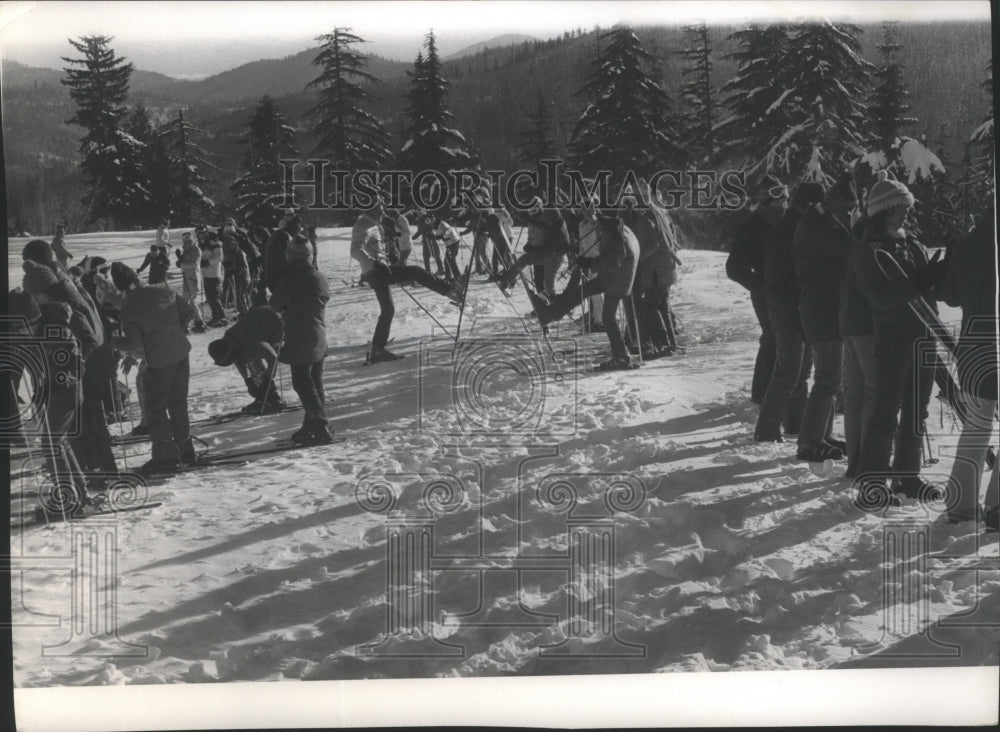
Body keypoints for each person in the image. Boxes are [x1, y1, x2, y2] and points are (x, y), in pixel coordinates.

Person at [852, 171, 946, 506]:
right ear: (885, 210)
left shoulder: (912, 243)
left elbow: (927, 285)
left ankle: (908, 478)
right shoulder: (869, 250)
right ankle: (872, 485)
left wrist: (942, 274)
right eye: (901, 206)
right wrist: (921, 282)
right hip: (893, 339)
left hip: (923, 336)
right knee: (885, 413)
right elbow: (879, 297)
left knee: (917, 412)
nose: (907, 211)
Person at [22, 250, 118, 477]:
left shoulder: (65, 302)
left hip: (90, 370)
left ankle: (102, 470)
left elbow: (89, 337)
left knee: (88, 423)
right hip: (88, 368)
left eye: (34, 294)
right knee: (81, 425)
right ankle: (92, 468)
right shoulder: (60, 292)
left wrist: (76, 364)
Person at [939, 210, 998, 529]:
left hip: (975, 347)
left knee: (976, 427)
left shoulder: (965, 243)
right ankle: (998, 506)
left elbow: (948, 297)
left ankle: (960, 504)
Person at [791, 175, 857, 461]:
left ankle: (821, 435)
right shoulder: (815, 227)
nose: (848, 215)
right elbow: (846, 250)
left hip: (826, 310)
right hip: (822, 311)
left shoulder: (819, 223)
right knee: (827, 379)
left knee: (831, 379)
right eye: (847, 209)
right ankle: (809, 441)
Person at [754, 182, 825, 442]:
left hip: (793, 305)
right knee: (790, 368)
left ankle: (795, 422)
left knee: (801, 367)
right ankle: (767, 428)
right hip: (788, 307)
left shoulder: (792, 225)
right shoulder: (791, 229)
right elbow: (786, 275)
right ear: (809, 204)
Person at [110, 262, 197, 473]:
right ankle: (185, 449)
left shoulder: (130, 307)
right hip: (180, 353)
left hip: (159, 362)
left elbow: (133, 344)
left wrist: (109, 340)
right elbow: (189, 312)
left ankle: (165, 455)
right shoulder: (162, 288)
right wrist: (174, 331)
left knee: (155, 408)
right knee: (178, 403)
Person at [353, 202, 466, 364]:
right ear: (370, 209)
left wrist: (385, 258)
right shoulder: (363, 223)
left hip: (375, 271)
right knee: (415, 272)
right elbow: (355, 250)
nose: (382, 212)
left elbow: (373, 249)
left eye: (383, 209)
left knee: (388, 309)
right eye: (379, 209)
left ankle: (377, 349)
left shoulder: (372, 224)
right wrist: (374, 263)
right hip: (376, 271)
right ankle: (450, 290)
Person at [11, 290, 90, 513]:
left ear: (30, 320)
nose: (19, 331)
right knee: (59, 442)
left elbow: (77, 365)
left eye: (20, 326)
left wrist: (60, 377)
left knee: (51, 443)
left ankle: (68, 498)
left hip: (66, 394)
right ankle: (79, 491)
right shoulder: (34, 333)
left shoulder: (57, 332)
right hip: (54, 394)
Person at [531, 210, 640, 371]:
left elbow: (614, 260)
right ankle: (551, 313)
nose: (598, 222)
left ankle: (621, 357)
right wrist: (587, 261)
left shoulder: (617, 234)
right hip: (614, 278)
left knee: (608, 318)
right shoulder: (618, 228)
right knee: (583, 290)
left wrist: (591, 263)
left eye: (601, 217)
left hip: (617, 281)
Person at [726, 175, 787, 404]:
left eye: (784, 198)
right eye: (778, 198)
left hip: (784, 290)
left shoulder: (784, 223)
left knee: (780, 339)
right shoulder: (753, 228)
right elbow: (733, 267)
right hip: (765, 292)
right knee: (772, 338)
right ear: (767, 201)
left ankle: (772, 390)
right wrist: (758, 283)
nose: (783, 203)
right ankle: (762, 393)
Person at [270, 237, 332, 445]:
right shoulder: (318, 276)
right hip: (319, 335)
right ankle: (311, 424)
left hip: (300, 337)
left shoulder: (290, 279)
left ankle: (320, 424)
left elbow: (275, 304)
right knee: (315, 381)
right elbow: (325, 297)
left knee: (302, 382)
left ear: (292, 256)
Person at [208, 305, 287, 415]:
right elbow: (239, 360)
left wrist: (267, 381)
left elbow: (273, 358)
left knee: (254, 361)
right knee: (250, 358)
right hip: (259, 320)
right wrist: (248, 380)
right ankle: (264, 396)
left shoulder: (252, 343)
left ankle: (273, 398)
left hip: (277, 323)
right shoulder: (230, 342)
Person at [498, 196, 571, 298]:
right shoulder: (551, 224)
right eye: (530, 211)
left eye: (534, 210)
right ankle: (545, 302)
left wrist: (533, 249)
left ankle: (552, 303)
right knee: (540, 280)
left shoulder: (557, 229)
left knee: (545, 282)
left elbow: (548, 245)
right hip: (543, 253)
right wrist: (529, 244)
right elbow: (534, 231)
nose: (532, 213)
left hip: (551, 256)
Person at [176, 232, 206, 333]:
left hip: (193, 279)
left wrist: (182, 264)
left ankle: (186, 325)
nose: (187, 243)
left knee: (187, 302)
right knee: (192, 302)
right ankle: (198, 323)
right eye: (185, 241)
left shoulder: (196, 250)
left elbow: (194, 264)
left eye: (189, 241)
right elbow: (184, 263)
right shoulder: (186, 251)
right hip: (187, 278)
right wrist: (179, 259)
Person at [221, 219, 252, 315]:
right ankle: (243, 311)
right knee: (239, 295)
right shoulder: (232, 252)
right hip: (238, 276)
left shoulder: (239, 253)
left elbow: (243, 267)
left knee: (240, 295)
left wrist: (235, 271)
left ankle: (245, 312)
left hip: (242, 277)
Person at [200, 231, 227, 327]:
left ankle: (221, 318)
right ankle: (216, 317)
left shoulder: (217, 245)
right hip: (207, 274)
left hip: (214, 274)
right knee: (210, 297)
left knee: (214, 297)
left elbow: (219, 258)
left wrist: (207, 262)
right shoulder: (206, 245)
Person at [415, 208, 444, 275]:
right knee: (425, 255)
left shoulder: (430, 216)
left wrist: (427, 217)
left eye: (422, 210)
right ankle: (428, 271)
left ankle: (441, 269)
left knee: (435, 253)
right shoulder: (420, 219)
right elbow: (420, 230)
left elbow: (433, 224)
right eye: (420, 210)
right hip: (425, 238)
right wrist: (414, 237)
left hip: (431, 237)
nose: (421, 212)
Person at [434, 215, 463, 282]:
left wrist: (440, 236)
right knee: (447, 260)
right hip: (452, 243)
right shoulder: (441, 224)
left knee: (451, 260)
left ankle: (457, 276)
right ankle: (449, 276)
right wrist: (436, 236)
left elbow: (447, 231)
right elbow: (439, 234)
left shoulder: (442, 224)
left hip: (453, 243)